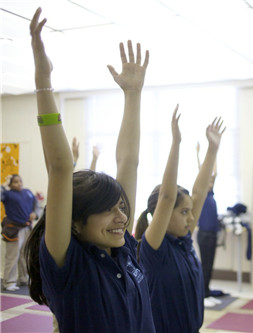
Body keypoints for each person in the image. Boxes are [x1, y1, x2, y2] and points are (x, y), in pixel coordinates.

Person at [24, 8, 155, 332]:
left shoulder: (122, 251)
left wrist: (133, 96)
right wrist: (43, 83)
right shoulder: (68, 265)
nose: (122, 217)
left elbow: (128, 161)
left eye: (121, 208)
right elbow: (58, 168)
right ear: (75, 224)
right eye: (108, 211)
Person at [136, 113, 225, 333]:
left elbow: (199, 192)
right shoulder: (155, 249)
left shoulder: (183, 240)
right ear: (162, 214)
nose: (191, 218)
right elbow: (167, 197)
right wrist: (176, 143)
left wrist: (212, 150)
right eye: (184, 212)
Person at [196, 142, 222, 307]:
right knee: (205, 265)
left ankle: (207, 291)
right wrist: (199, 154)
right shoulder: (202, 193)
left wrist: (215, 152)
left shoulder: (211, 193)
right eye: (209, 181)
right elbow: (203, 171)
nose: (210, 182)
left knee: (210, 265)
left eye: (212, 181)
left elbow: (215, 172)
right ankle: (203, 295)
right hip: (204, 235)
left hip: (212, 234)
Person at [1, 174, 37, 291]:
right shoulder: (7, 194)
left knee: (24, 254)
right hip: (13, 229)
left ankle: (24, 278)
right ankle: (9, 282)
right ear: (10, 184)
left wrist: (35, 213)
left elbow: (36, 205)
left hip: (26, 228)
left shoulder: (28, 192)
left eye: (20, 181)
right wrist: (4, 185)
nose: (19, 183)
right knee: (12, 256)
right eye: (15, 182)